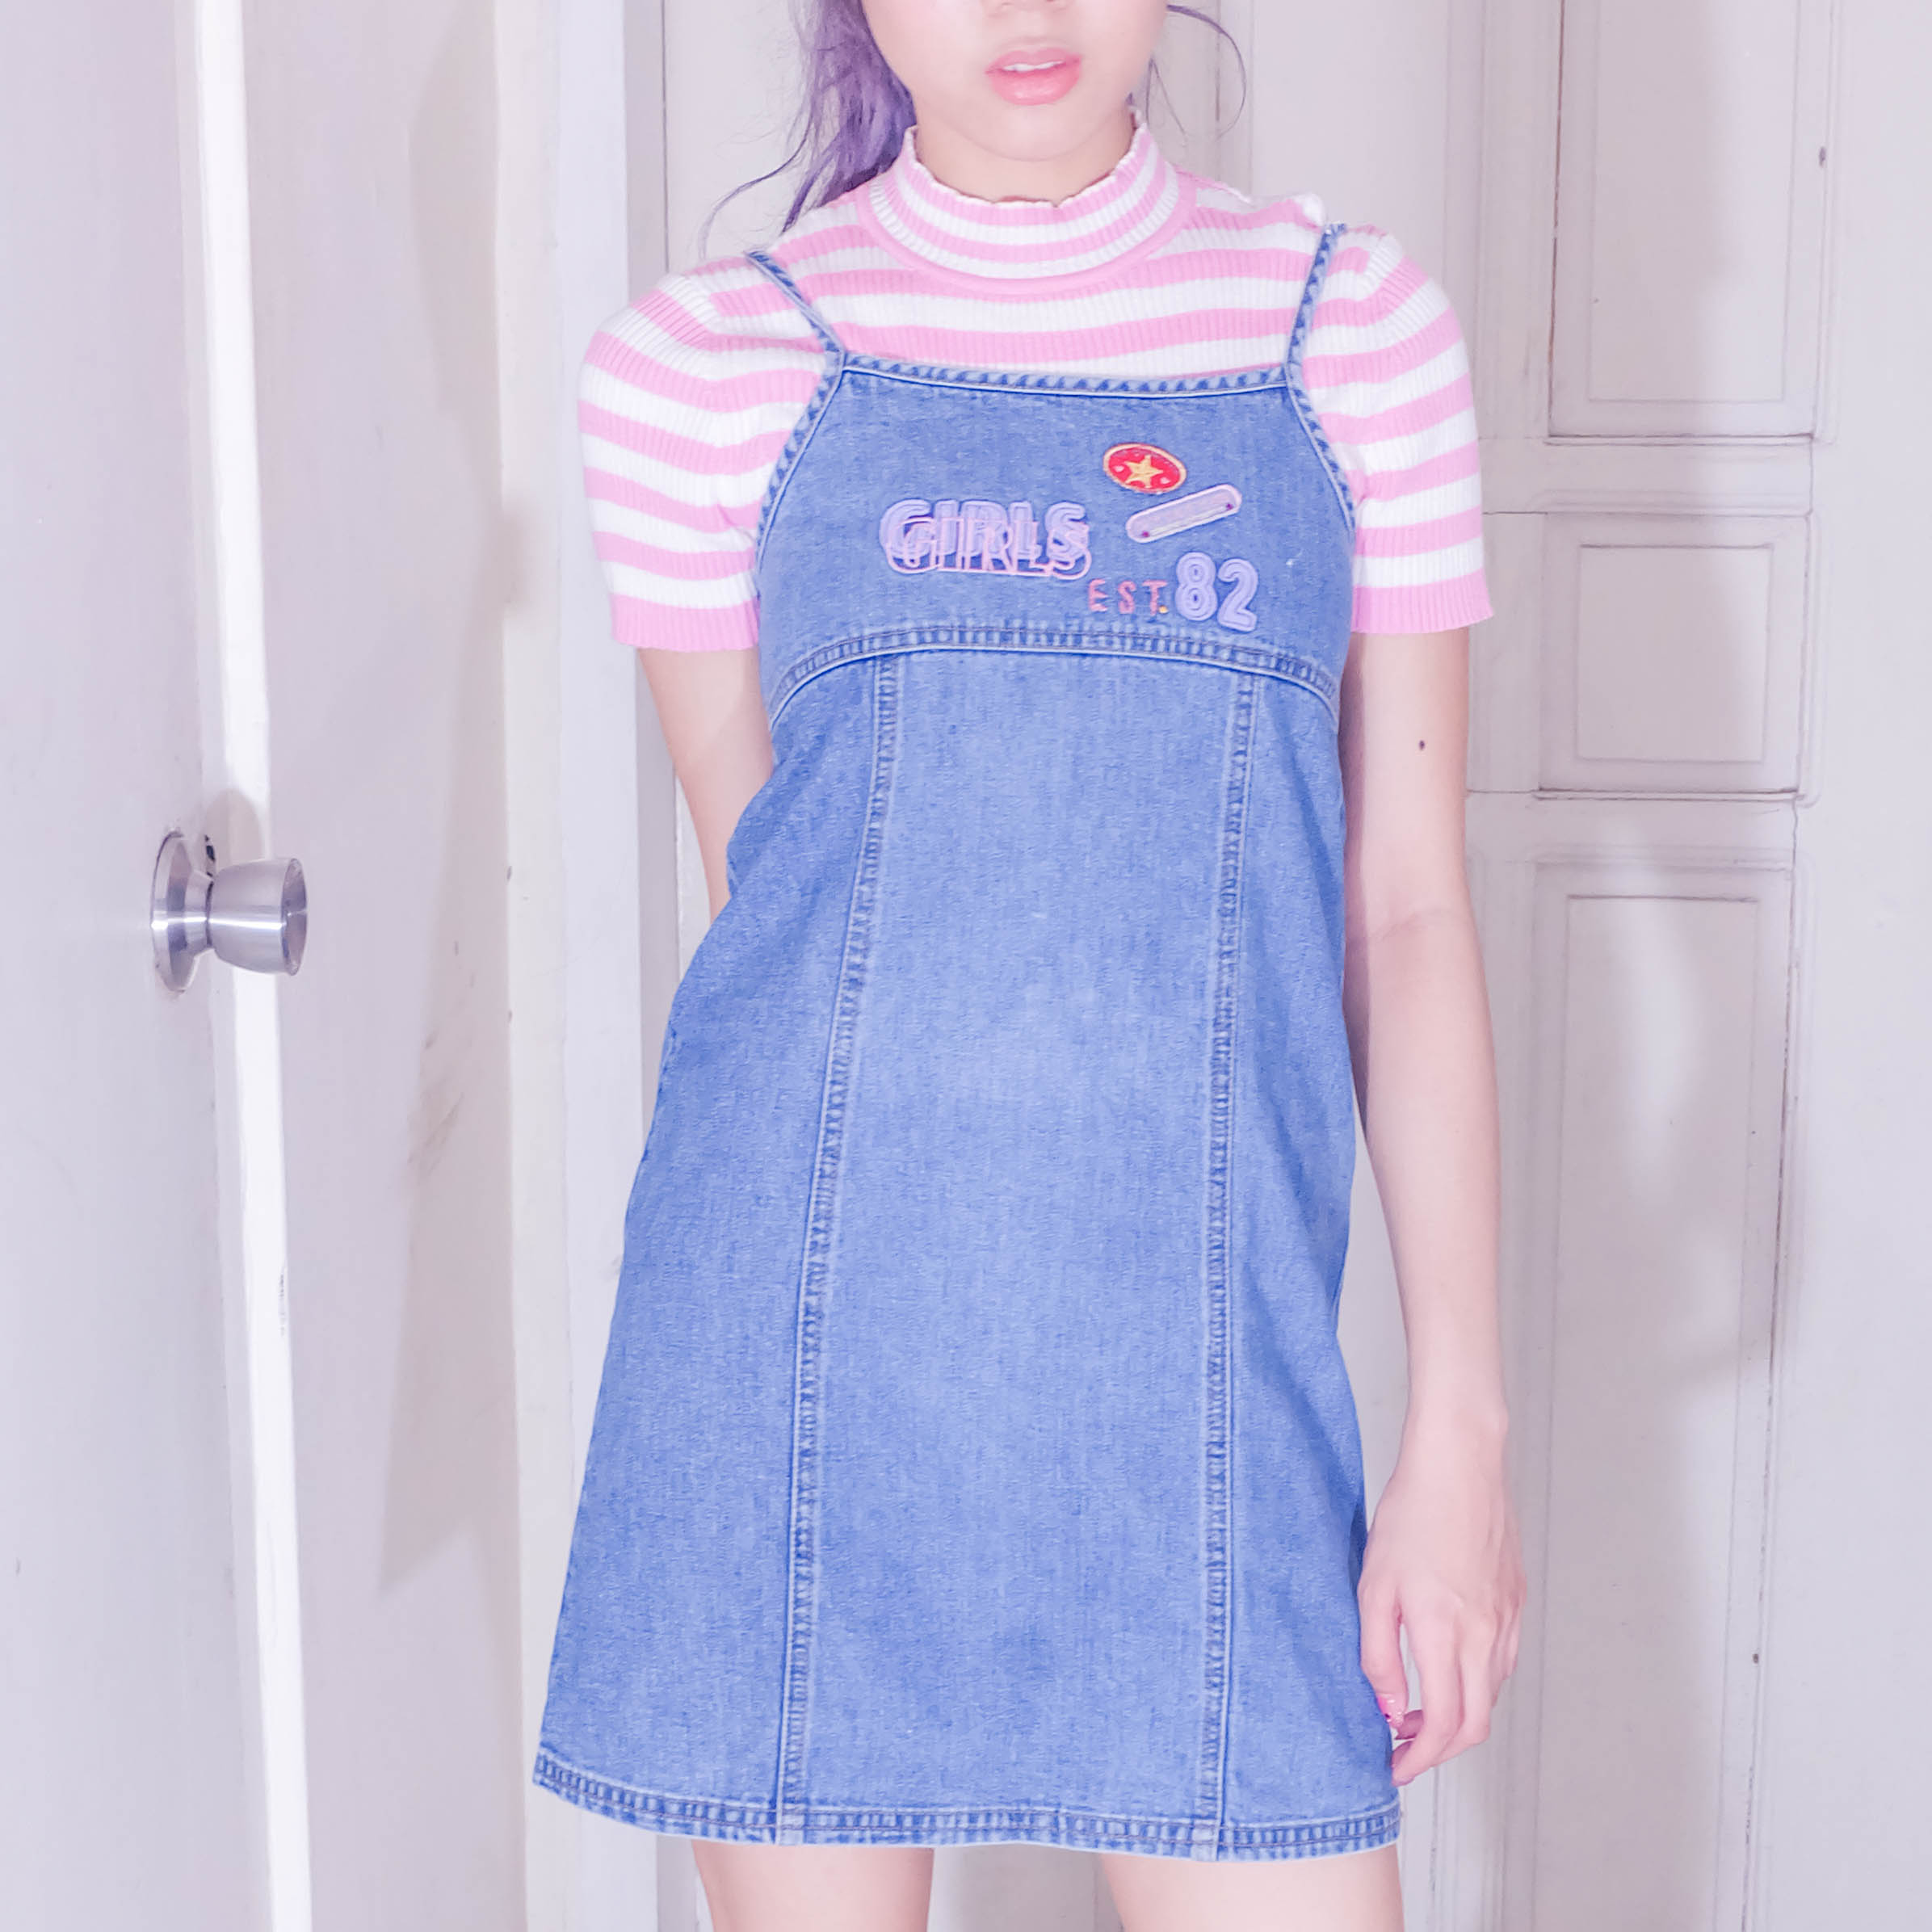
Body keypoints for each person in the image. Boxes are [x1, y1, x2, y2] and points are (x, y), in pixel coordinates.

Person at [535, 2, 1526, 1926]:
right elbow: (777, 904)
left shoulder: (1353, 334)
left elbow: (1403, 906)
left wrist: (1456, 1425)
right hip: (804, 1376)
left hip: (1211, 1386)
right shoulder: (695, 372)